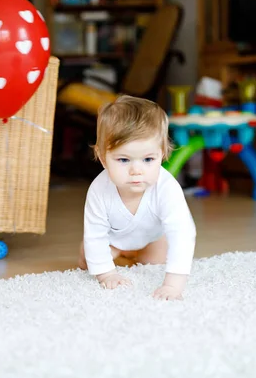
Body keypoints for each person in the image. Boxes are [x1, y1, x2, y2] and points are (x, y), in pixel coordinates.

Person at [79, 95, 196, 301]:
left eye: (148, 159)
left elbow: (182, 234)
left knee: (155, 263)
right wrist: (107, 274)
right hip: (113, 241)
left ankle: (134, 256)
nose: (136, 170)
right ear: (103, 157)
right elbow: (95, 234)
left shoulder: (166, 188)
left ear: (163, 154)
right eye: (123, 160)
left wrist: (173, 285)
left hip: (152, 239)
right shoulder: (99, 190)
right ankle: (118, 257)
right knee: (89, 261)